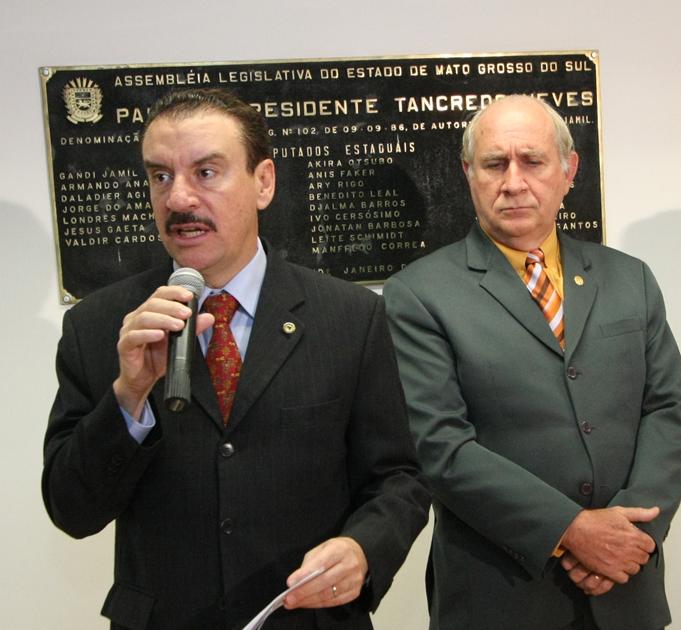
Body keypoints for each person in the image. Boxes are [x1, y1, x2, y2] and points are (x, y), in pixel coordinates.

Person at [42, 88, 429, 629]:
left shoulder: (350, 318)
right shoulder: (101, 325)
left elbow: (398, 478)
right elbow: (72, 511)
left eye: (205, 172)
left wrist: (364, 549)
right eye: (160, 176)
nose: (178, 199)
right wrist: (128, 396)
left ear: (263, 182)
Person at [383, 95, 681, 630]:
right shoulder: (418, 294)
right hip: (499, 597)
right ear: (468, 172)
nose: (513, 182)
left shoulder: (630, 279)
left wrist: (633, 533)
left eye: (532, 161)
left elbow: (669, 407)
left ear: (568, 170)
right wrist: (571, 530)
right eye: (494, 164)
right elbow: (439, 445)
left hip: (625, 588)